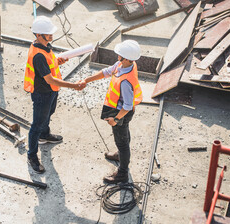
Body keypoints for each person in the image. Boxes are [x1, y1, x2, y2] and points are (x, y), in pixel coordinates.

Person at [24, 16, 85, 174]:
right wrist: (73, 86)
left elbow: (49, 63)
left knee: (48, 114)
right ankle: (32, 156)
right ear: (38, 35)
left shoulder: (45, 46)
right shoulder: (38, 55)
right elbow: (50, 79)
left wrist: (57, 61)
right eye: (48, 34)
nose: (51, 36)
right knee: (36, 125)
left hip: (50, 91)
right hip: (42, 93)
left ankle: (45, 135)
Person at [82, 40, 143, 184]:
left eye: (120, 55)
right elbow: (107, 71)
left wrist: (115, 119)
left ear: (127, 58)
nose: (117, 57)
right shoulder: (125, 65)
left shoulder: (126, 81)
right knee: (123, 138)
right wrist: (87, 80)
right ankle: (121, 155)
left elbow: (127, 106)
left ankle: (122, 173)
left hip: (121, 112)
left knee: (122, 141)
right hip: (119, 109)